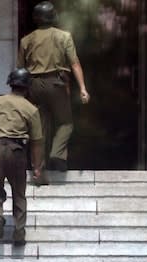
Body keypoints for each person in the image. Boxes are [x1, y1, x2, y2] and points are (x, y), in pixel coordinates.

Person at [17, 0, 90, 173]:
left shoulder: (26, 40)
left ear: (36, 18)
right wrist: (83, 88)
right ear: (53, 17)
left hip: (34, 85)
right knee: (65, 123)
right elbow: (75, 64)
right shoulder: (63, 36)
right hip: (56, 83)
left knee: (40, 127)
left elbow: (20, 70)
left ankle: (39, 167)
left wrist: (20, 95)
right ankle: (57, 155)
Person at [0, 68, 43, 246]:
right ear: (27, 87)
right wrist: (37, 167)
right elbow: (37, 141)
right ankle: (19, 232)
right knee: (19, 194)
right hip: (17, 151)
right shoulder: (31, 109)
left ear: (10, 83)